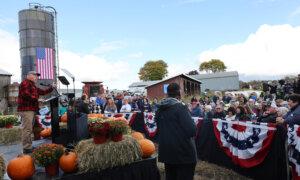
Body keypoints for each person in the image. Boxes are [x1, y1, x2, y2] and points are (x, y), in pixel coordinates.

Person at [156, 83, 197, 180]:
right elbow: (192, 130)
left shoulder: (160, 109)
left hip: (167, 151)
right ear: (179, 93)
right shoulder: (180, 108)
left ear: (168, 93)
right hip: (182, 154)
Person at [17, 71, 54, 154]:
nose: (37, 77)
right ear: (29, 75)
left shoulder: (33, 85)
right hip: (26, 109)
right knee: (27, 129)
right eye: (35, 75)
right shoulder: (25, 83)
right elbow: (26, 95)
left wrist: (51, 88)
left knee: (29, 129)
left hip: (31, 109)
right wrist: (37, 99)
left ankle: (28, 146)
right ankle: (26, 148)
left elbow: (42, 92)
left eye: (37, 76)